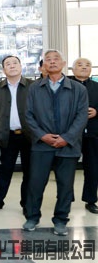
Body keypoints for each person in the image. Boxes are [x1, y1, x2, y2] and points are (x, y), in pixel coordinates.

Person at [23, 50, 88, 236]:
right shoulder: (34, 88)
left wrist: (67, 138)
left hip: (68, 145)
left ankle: (61, 220)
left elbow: (82, 116)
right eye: (48, 60)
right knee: (36, 183)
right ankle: (32, 217)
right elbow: (28, 115)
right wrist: (42, 136)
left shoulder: (78, 89)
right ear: (44, 65)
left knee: (65, 186)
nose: (52, 62)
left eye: (56, 59)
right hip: (41, 145)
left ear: (63, 63)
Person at [0, 55, 32, 214]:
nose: (12, 66)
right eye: (8, 64)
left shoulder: (32, 86)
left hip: (29, 136)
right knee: (5, 169)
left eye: (15, 63)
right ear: (4, 70)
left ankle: (27, 203)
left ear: (21, 66)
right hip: (7, 136)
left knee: (30, 171)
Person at [70, 58, 98, 214]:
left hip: (92, 133)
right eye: (80, 65)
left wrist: (96, 112)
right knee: (67, 169)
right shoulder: (67, 86)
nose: (84, 67)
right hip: (71, 134)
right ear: (73, 69)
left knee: (93, 168)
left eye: (88, 65)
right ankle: (66, 199)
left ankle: (91, 200)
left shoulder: (96, 86)